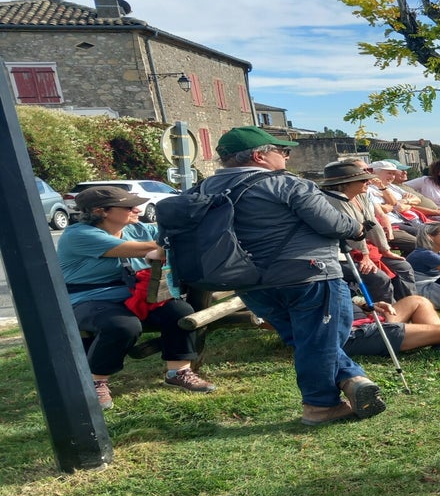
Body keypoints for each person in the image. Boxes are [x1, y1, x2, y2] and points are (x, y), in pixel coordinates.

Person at [204, 126, 385, 426]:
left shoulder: (203, 189)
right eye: (282, 151)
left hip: (246, 280)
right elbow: (334, 224)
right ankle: (320, 406)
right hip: (308, 274)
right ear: (259, 156)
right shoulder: (285, 183)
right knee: (321, 338)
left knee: (309, 338)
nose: (286, 157)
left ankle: (351, 379)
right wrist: (356, 228)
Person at [57, 186, 217, 410]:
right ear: (100, 211)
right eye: (128, 207)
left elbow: (170, 237)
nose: (137, 210)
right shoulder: (79, 235)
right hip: (90, 299)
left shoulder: (138, 228)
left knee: (180, 312)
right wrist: (162, 248)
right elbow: (146, 248)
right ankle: (96, 381)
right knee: (122, 325)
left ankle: (178, 372)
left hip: (135, 296)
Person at [319, 160, 416, 303]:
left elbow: (372, 222)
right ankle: (387, 313)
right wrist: (365, 255)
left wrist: (385, 250)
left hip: (362, 249)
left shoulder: (360, 195)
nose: (368, 182)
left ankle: (409, 307)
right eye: (363, 180)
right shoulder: (334, 199)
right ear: (346, 183)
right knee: (379, 278)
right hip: (340, 254)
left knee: (403, 267)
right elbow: (351, 231)